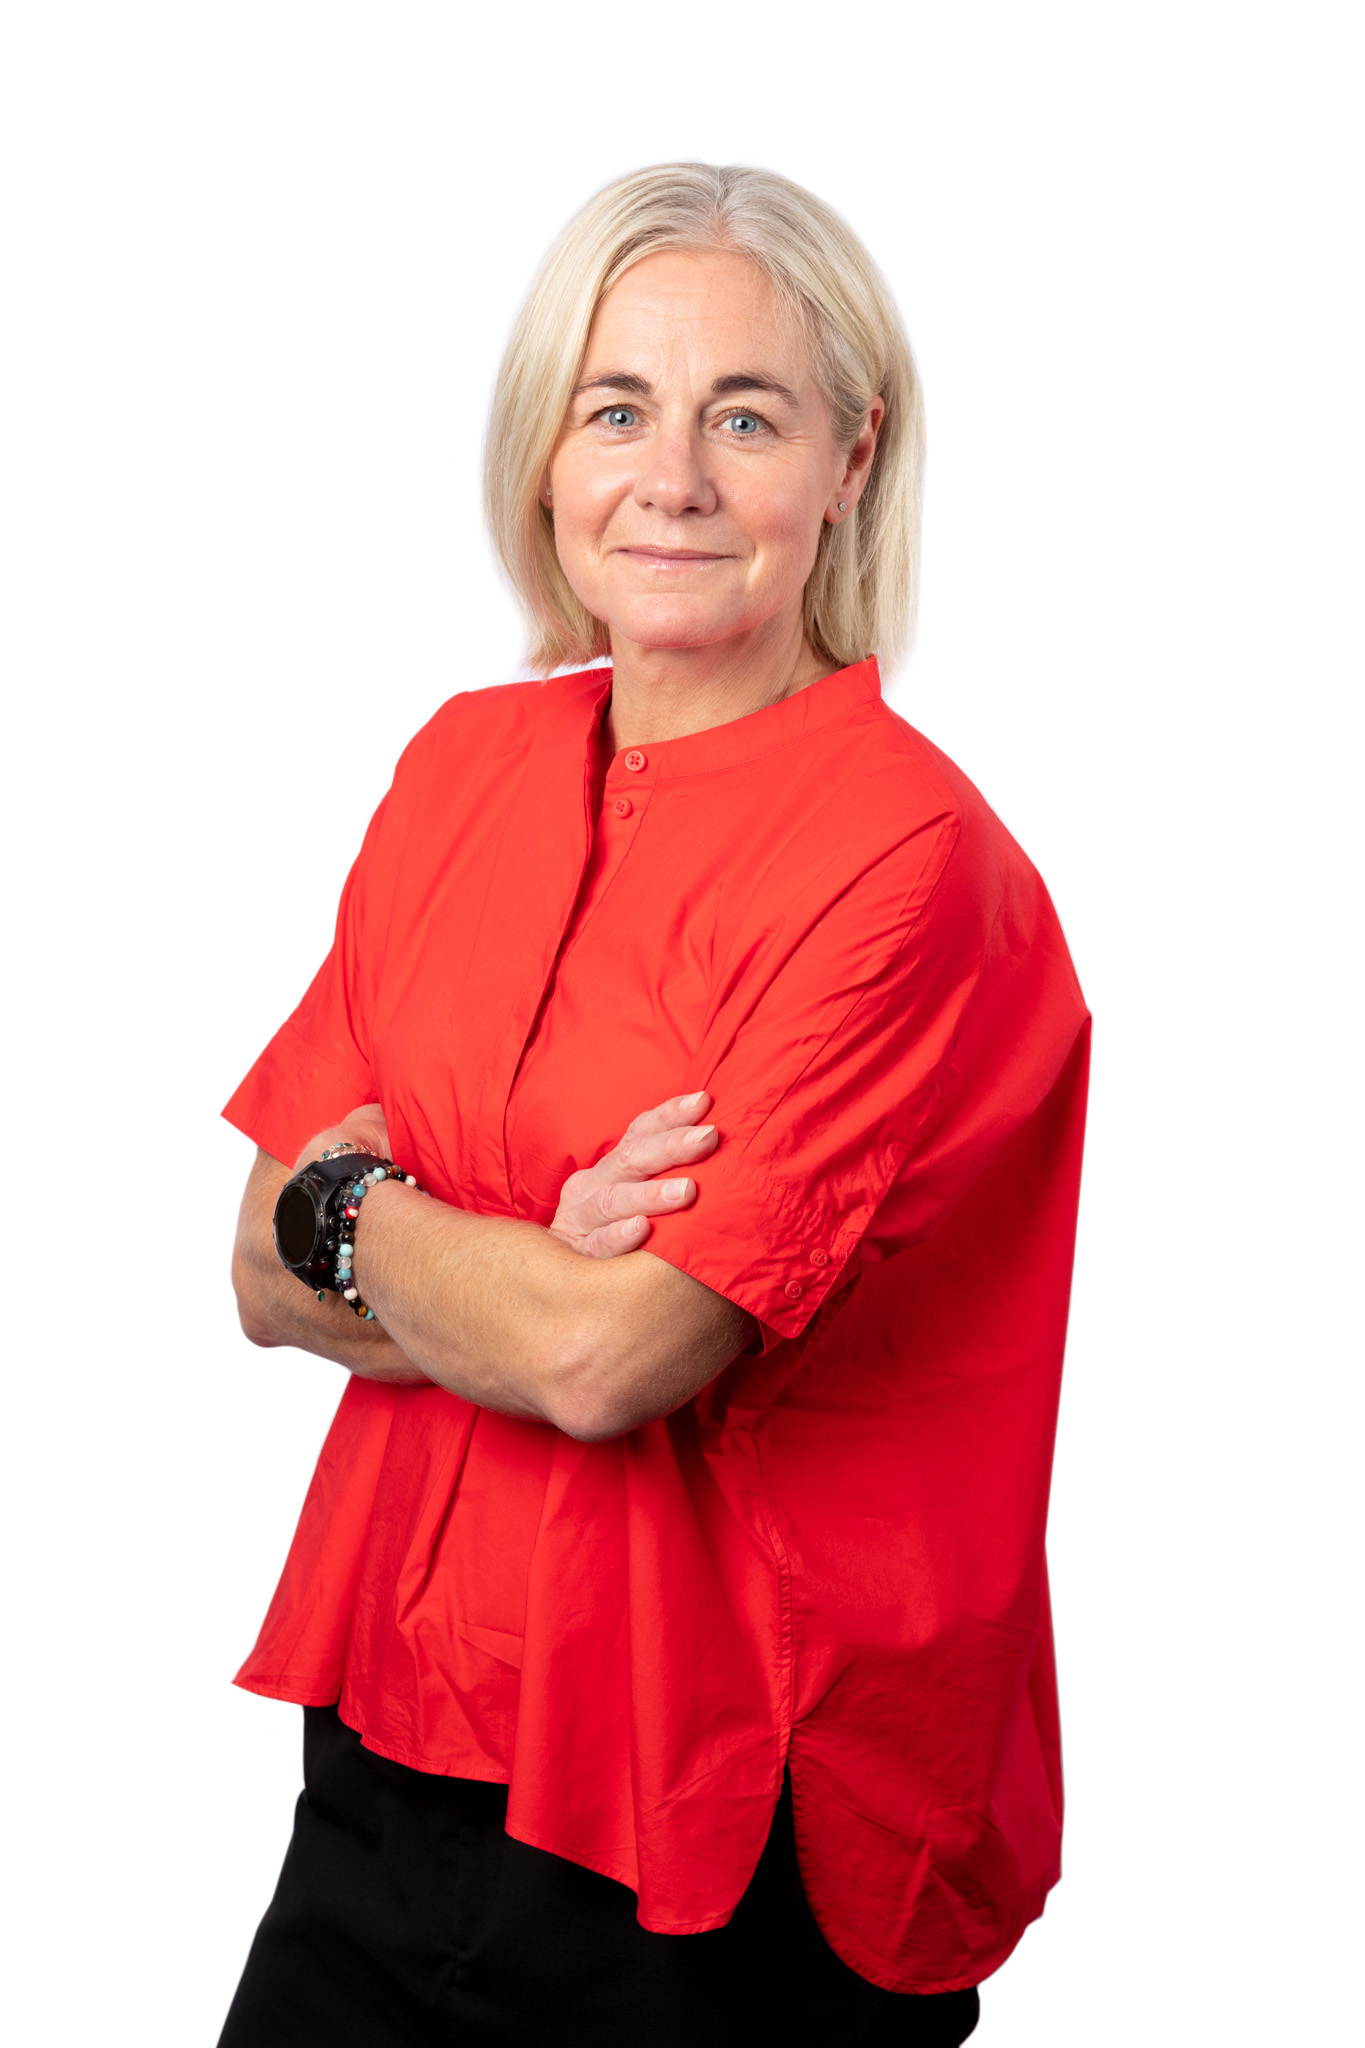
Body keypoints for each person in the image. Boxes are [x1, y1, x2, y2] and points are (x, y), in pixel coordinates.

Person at [217, 162, 1089, 2048]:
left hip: (723, 1809)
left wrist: (376, 1217)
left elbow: (612, 1355)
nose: (671, 478)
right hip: (392, 1748)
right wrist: (505, 1253)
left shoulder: (902, 860)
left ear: (850, 460)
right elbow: (259, 1269)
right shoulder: (460, 766)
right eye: (616, 409)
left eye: (744, 417)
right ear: (546, 455)